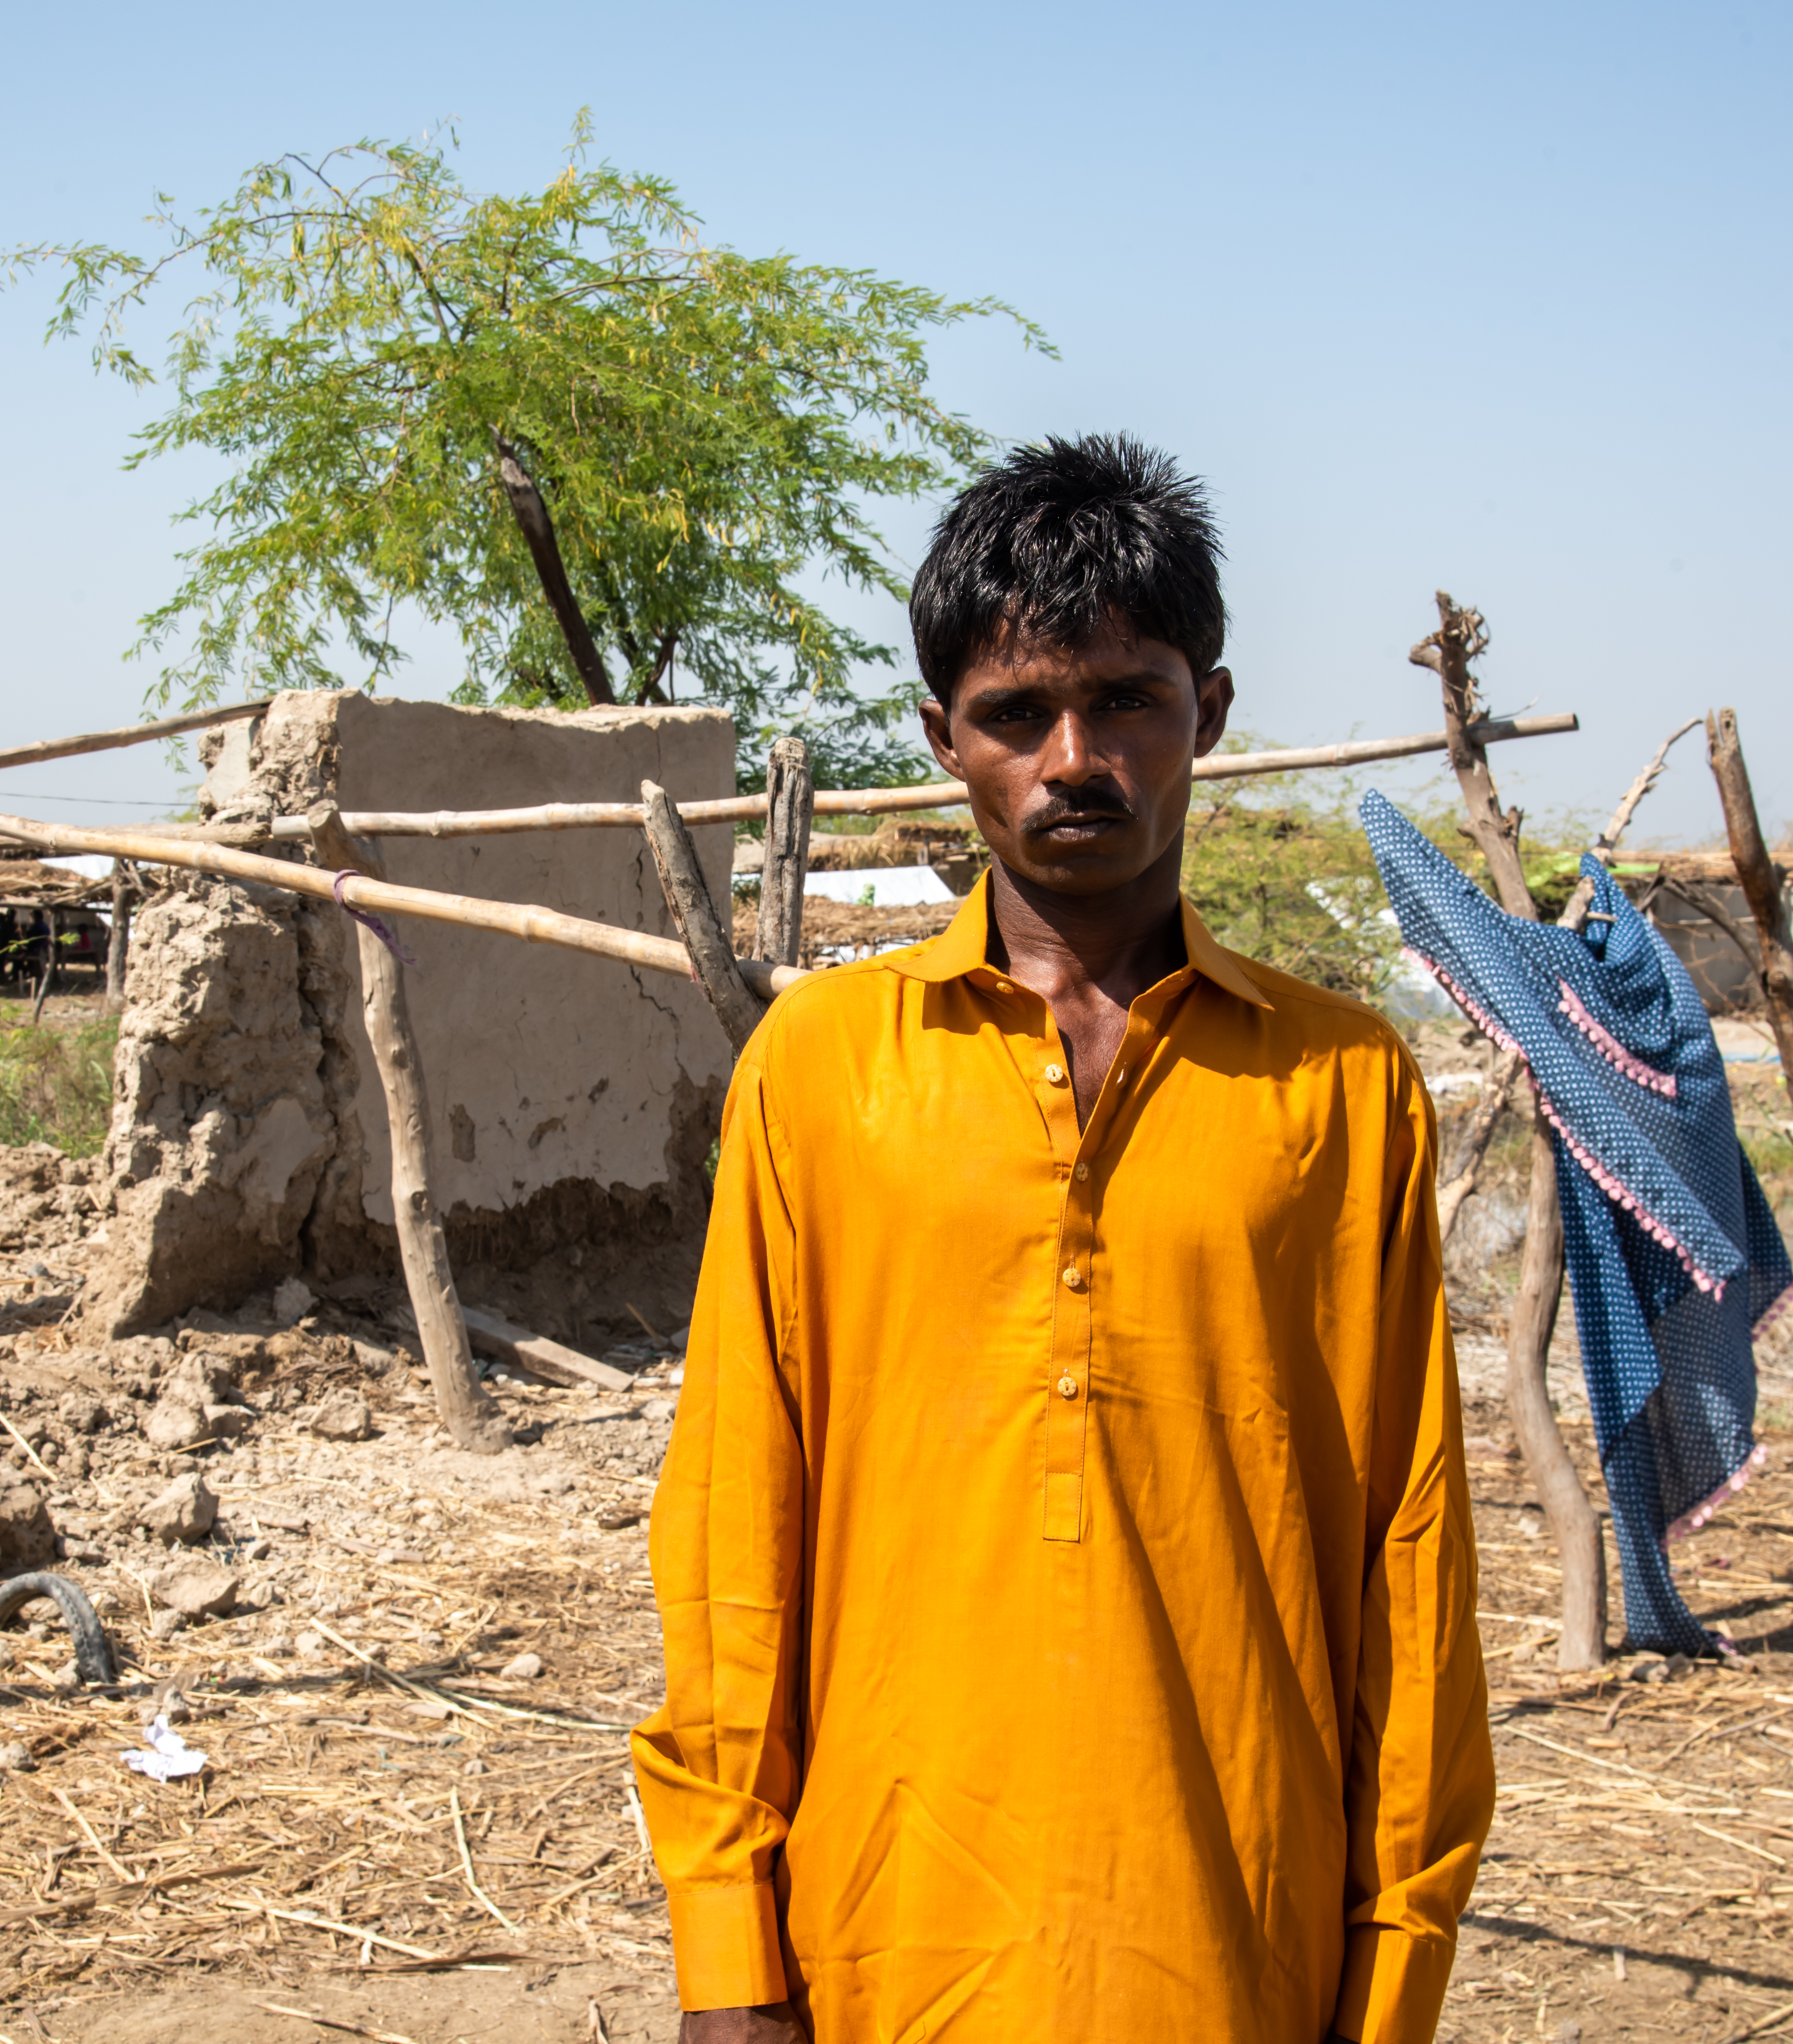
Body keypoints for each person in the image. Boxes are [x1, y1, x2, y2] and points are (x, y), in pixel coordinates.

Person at [631, 436, 1495, 2043]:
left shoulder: (1340, 1083)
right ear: (946, 740)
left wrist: (1394, 1966)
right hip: (889, 1936)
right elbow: (737, 1519)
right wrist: (730, 1949)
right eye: (1018, 712)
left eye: (1128, 700)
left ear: (1210, 714)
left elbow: (1411, 1558)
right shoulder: (823, 1068)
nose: (1073, 757)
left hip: (1243, 1937)